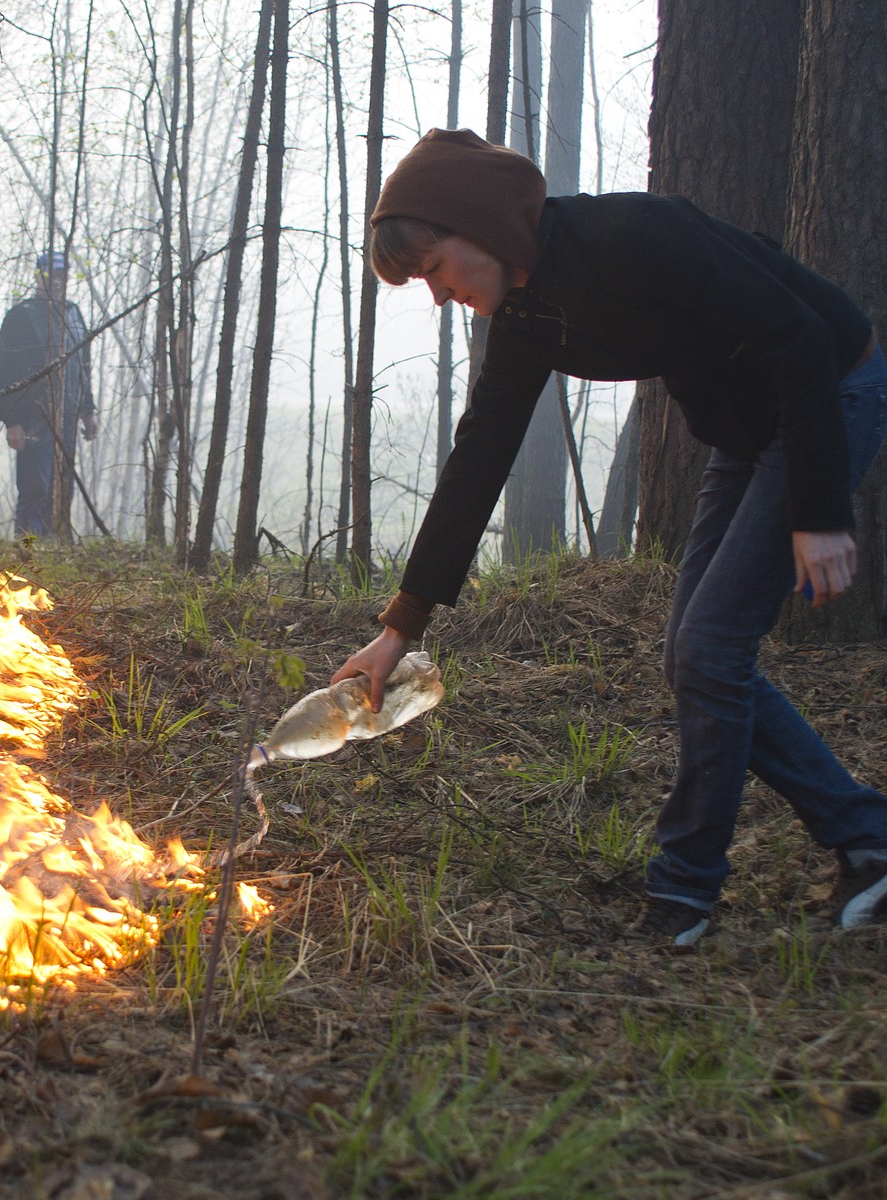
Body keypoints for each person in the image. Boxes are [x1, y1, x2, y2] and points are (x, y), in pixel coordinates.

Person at [332, 128, 887, 947]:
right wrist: (398, 627)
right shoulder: (527, 314)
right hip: (743, 433)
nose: (439, 295)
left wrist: (819, 512)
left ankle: (685, 893)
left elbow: (801, 337)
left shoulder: (637, 235)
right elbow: (481, 451)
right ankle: (867, 835)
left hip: (825, 394)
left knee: (709, 650)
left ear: (481, 223)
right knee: (695, 657)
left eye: (437, 269)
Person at [0, 250, 97, 537]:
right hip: (32, 417)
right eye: (50, 275)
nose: (56, 282)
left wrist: (88, 411)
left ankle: (55, 546)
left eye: (62, 276)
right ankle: (28, 550)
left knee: (63, 485)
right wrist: (11, 420)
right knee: (34, 486)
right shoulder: (21, 316)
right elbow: (4, 372)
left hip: (69, 417)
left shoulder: (73, 314)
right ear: (38, 276)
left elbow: (83, 367)